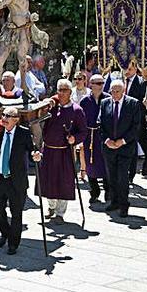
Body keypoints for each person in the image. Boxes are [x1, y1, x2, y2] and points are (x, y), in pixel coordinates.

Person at [0, 107, 42, 254]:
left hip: (16, 180)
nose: (4, 118)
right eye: (3, 115)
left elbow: (32, 150)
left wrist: (36, 156)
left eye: (8, 115)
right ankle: (5, 233)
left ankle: (13, 243)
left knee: (16, 213)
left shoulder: (24, 133)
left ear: (16, 119)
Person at [39, 79, 88, 223]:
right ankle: (51, 207)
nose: (61, 93)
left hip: (64, 152)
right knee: (48, 180)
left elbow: (83, 132)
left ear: (70, 92)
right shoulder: (52, 107)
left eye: (64, 90)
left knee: (63, 181)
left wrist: (75, 138)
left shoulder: (77, 110)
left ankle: (60, 213)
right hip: (48, 150)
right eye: (59, 90)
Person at [99, 79, 143, 217]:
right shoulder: (105, 103)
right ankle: (115, 201)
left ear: (123, 91)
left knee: (122, 177)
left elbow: (136, 127)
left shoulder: (133, 103)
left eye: (117, 91)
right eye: (112, 91)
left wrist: (122, 141)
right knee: (111, 176)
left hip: (125, 147)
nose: (114, 93)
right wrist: (107, 140)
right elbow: (100, 124)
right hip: (109, 147)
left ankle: (124, 204)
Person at [79, 74, 111, 204]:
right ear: (90, 85)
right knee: (90, 164)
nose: (100, 86)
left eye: (102, 83)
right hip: (89, 137)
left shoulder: (108, 99)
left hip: (103, 136)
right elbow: (80, 119)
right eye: (97, 83)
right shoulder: (85, 101)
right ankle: (94, 192)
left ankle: (109, 192)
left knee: (106, 164)